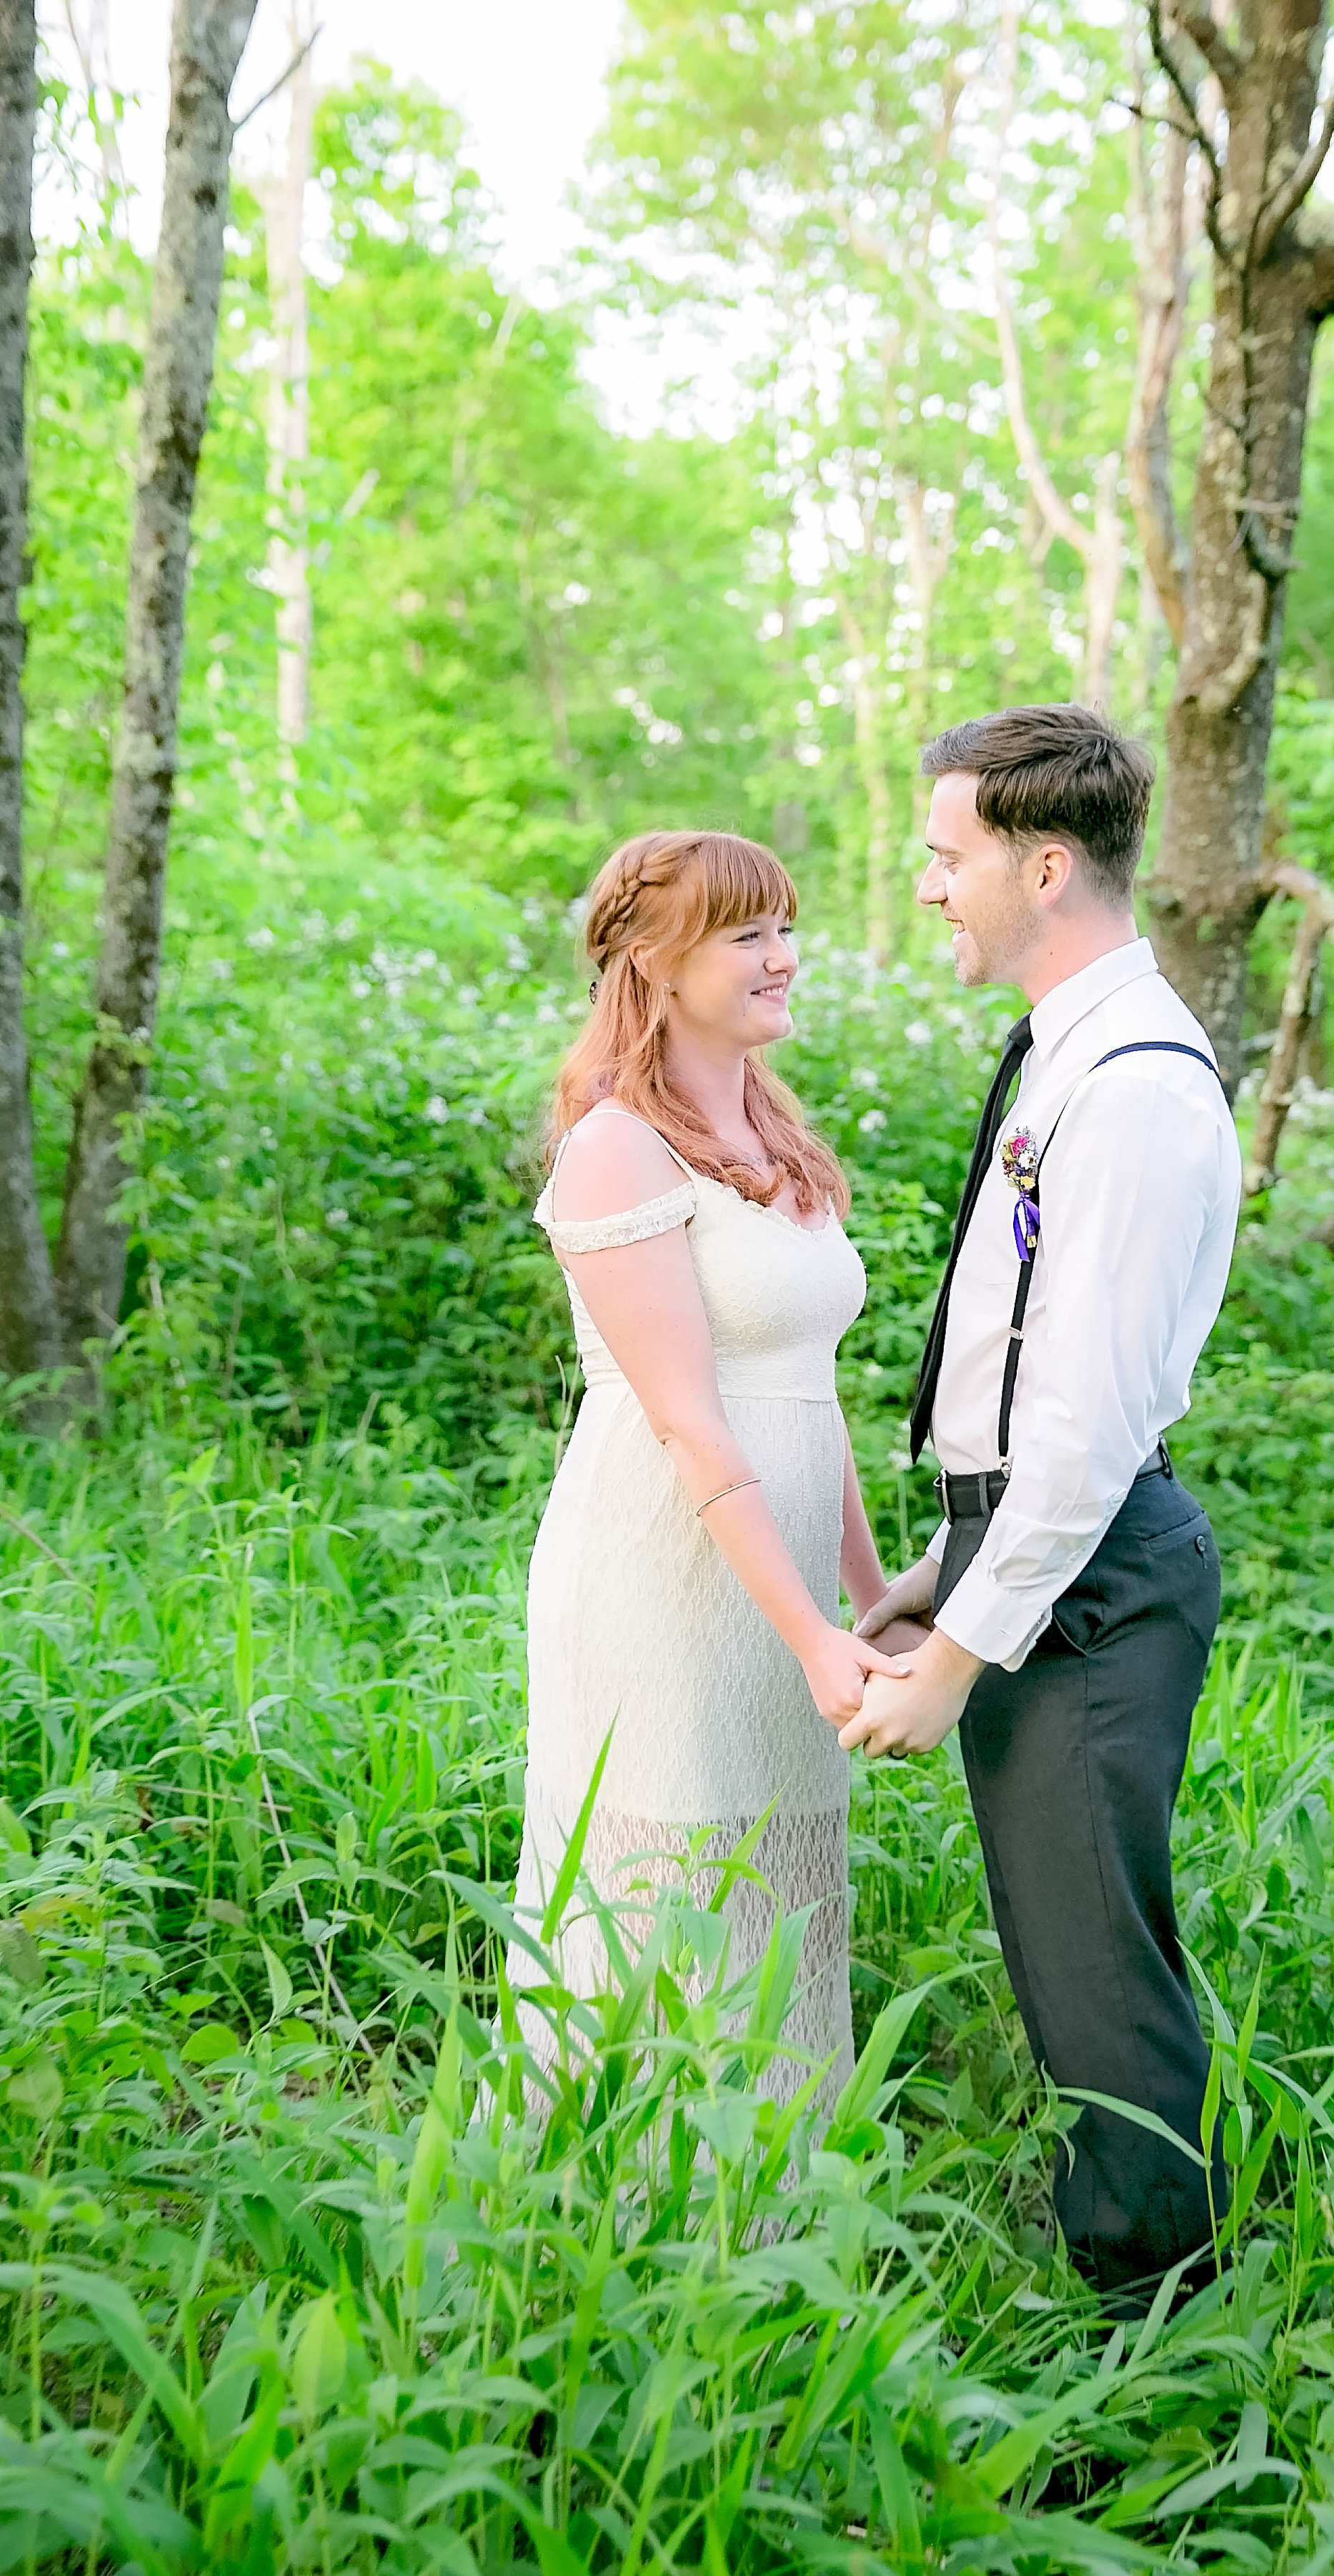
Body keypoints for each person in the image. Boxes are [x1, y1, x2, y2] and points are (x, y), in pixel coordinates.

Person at [847, 703, 1242, 2305]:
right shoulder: (1065, 1051)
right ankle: (1149, 2286)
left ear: (1046, 864)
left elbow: (1082, 1427)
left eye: (946, 857)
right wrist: (946, 1565)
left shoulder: (1136, 1086)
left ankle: (1156, 2351)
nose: (925, 884)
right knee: (1071, 1961)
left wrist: (958, 1660)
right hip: (1027, 1554)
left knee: (1097, 1986)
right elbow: (1023, 1363)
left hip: (1086, 1578)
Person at [507, 829, 907, 2111]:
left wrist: (870, 1592)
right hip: (664, 1581)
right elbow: (689, 1418)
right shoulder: (619, 1147)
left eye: (788, 928)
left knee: (780, 1886)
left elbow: (809, 1390)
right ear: (653, 960)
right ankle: (620, 2207)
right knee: (673, 1888)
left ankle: (772, 2197)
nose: (784, 959)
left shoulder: (780, 1140)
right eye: (749, 935)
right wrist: (807, 1631)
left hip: (780, 1582)